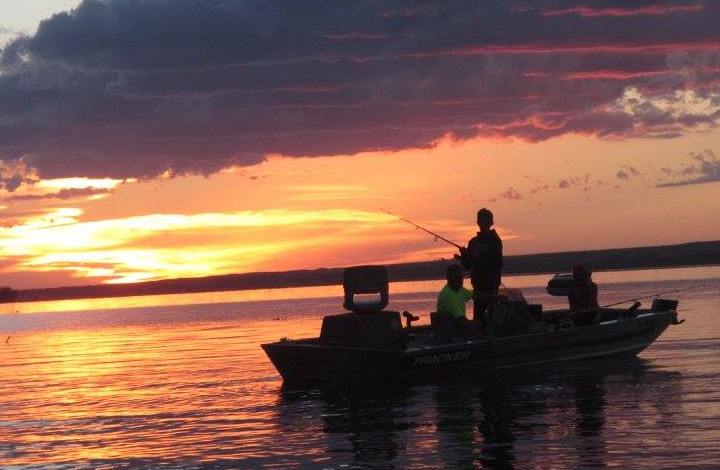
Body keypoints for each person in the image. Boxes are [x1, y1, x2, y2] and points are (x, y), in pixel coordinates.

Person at [456, 208, 503, 325]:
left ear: (491, 223)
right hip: (477, 284)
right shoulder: (473, 242)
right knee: (478, 314)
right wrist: (464, 255)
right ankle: (480, 334)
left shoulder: (496, 241)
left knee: (491, 314)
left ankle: (491, 334)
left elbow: (498, 263)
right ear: (478, 223)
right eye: (481, 221)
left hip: (491, 283)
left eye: (486, 221)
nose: (484, 224)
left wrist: (478, 256)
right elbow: (467, 265)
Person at [436, 264, 475, 336]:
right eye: (456, 278)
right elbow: (461, 319)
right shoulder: (447, 295)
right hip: (450, 334)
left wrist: (493, 296)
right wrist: (474, 326)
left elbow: (475, 294)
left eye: (461, 278)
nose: (460, 280)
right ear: (448, 278)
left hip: (457, 330)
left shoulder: (460, 290)